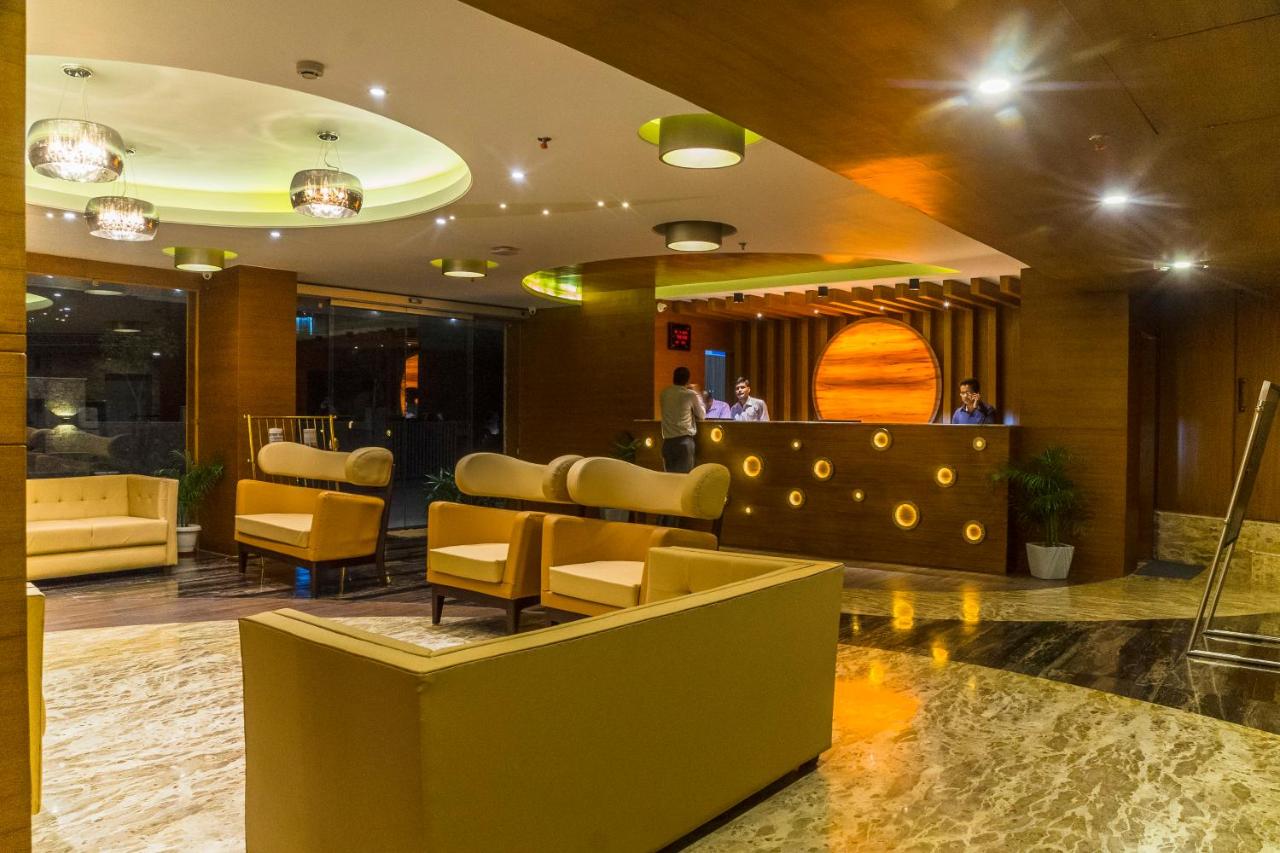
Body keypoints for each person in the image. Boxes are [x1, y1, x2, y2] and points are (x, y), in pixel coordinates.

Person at [658, 366, 705, 473]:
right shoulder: (689, 394)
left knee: (669, 478)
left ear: (673, 377)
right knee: (684, 478)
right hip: (684, 443)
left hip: (667, 442)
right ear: (687, 380)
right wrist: (697, 393)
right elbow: (702, 415)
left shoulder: (664, 393)